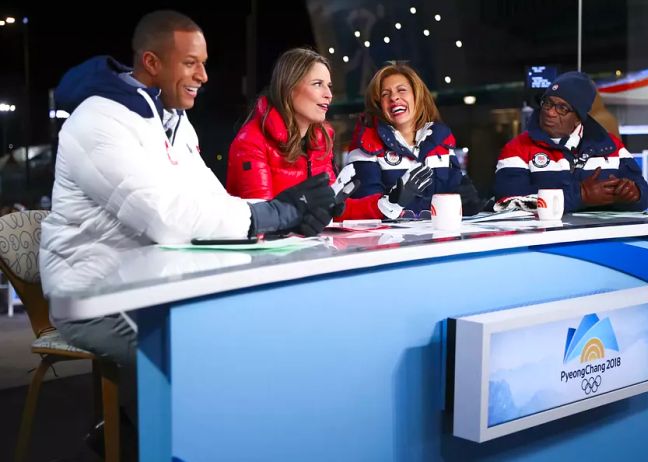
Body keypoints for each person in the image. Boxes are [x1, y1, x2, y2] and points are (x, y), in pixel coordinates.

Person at [39, 10, 335, 443]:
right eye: (191, 63)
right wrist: (274, 214)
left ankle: (137, 431)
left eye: (204, 62)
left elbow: (214, 204)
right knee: (198, 360)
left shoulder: (175, 123)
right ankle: (136, 438)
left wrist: (285, 210)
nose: (204, 75)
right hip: (95, 291)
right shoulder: (98, 121)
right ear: (152, 62)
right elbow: (167, 218)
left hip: (156, 283)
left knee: (250, 335)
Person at [226, 47, 362, 218]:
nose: (328, 95)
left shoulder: (321, 140)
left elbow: (332, 207)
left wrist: (383, 204)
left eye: (329, 86)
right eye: (317, 84)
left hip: (311, 242)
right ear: (289, 87)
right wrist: (305, 211)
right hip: (271, 243)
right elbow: (262, 218)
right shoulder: (251, 141)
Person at [494, 71, 648, 212]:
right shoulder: (517, 148)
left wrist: (634, 195)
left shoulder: (611, 146)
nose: (550, 112)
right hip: (542, 242)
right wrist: (579, 196)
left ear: (578, 118)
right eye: (547, 103)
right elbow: (507, 203)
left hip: (600, 242)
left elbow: (643, 194)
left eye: (562, 108)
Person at [344, 63, 484, 220]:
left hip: (442, 240)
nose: (394, 97)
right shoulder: (365, 146)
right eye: (385, 94)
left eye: (401, 90)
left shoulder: (441, 141)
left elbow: (456, 197)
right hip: (390, 242)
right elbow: (367, 213)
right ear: (378, 105)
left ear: (417, 96)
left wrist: (468, 203)